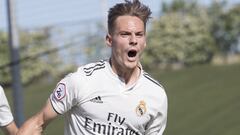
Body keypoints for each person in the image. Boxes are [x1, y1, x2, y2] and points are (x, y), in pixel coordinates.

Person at [17, 0, 168, 135]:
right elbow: (37, 124)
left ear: (145, 41)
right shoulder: (80, 81)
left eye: (139, 34)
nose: (133, 40)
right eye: (125, 34)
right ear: (109, 40)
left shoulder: (156, 96)